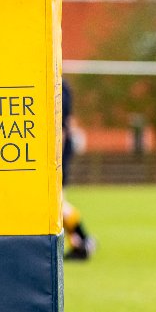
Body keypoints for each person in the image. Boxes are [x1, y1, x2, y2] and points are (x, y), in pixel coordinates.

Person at [61, 78, 96, 261]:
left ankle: (83, 240)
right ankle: (79, 243)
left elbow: (62, 126)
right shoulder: (61, 84)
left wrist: (57, 160)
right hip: (59, 151)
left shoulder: (57, 85)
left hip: (57, 154)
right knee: (58, 204)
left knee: (57, 203)